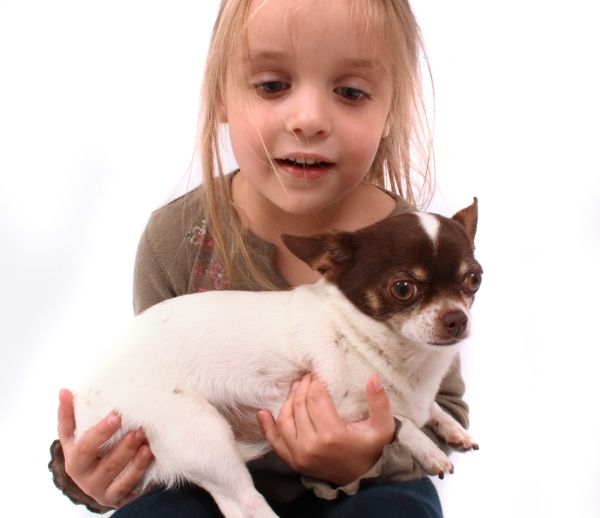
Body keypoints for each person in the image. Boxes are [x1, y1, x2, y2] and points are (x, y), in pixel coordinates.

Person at [49, 0, 469, 516]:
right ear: (219, 96)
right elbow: (151, 388)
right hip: (209, 485)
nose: (309, 120)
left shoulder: (424, 243)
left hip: (371, 488)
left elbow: (445, 413)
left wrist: (364, 459)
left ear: (392, 110)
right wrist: (89, 473)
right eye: (272, 85)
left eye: (350, 92)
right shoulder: (180, 239)